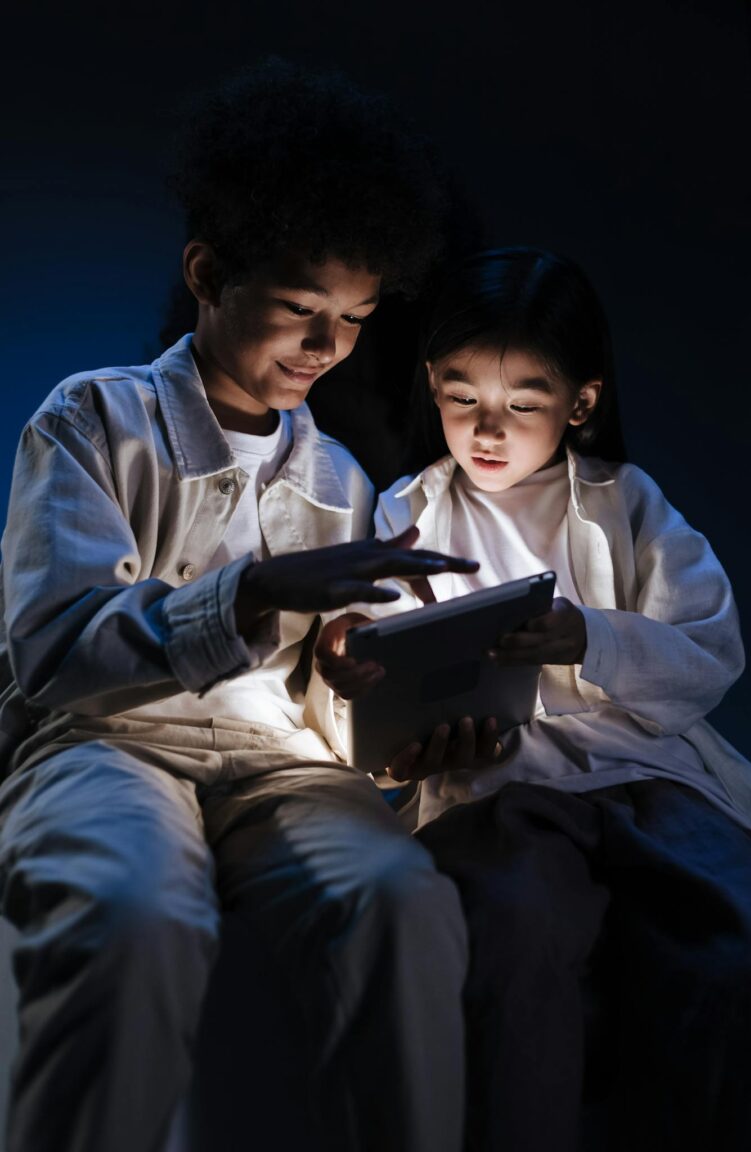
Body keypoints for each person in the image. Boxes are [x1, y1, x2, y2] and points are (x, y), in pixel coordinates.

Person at [0, 61, 478, 1152]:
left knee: (404, 902)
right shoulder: (88, 421)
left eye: (356, 319)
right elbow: (55, 654)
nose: (329, 348)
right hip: (108, 746)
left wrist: (365, 681)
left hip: (284, 772)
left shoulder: (342, 479)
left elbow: (330, 705)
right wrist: (252, 592)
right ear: (209, 273)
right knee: (130, 917)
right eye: (303, 310)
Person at [316, 247, 751, 1152]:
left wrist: (589, 638)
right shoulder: (409, 512)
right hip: (501, 785)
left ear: (580, 403)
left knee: (739, 944)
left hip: (647, 778)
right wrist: (359, 681)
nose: (488, 428)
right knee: (516, 949)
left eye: (523, 404)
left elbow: (710, 649)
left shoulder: (627, 503)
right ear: (429, 385)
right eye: (459, 396)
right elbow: (370, 677)